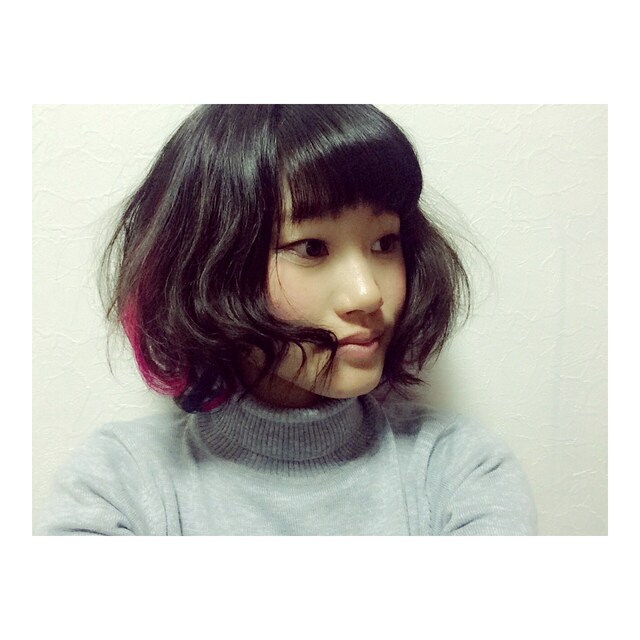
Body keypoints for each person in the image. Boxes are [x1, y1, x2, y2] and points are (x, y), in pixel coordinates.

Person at [34, 104, 536, 536]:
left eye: (385, 243)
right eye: (311, 248)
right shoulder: (117, 483)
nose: (368, 293)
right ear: (210, 267)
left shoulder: (458, 470)